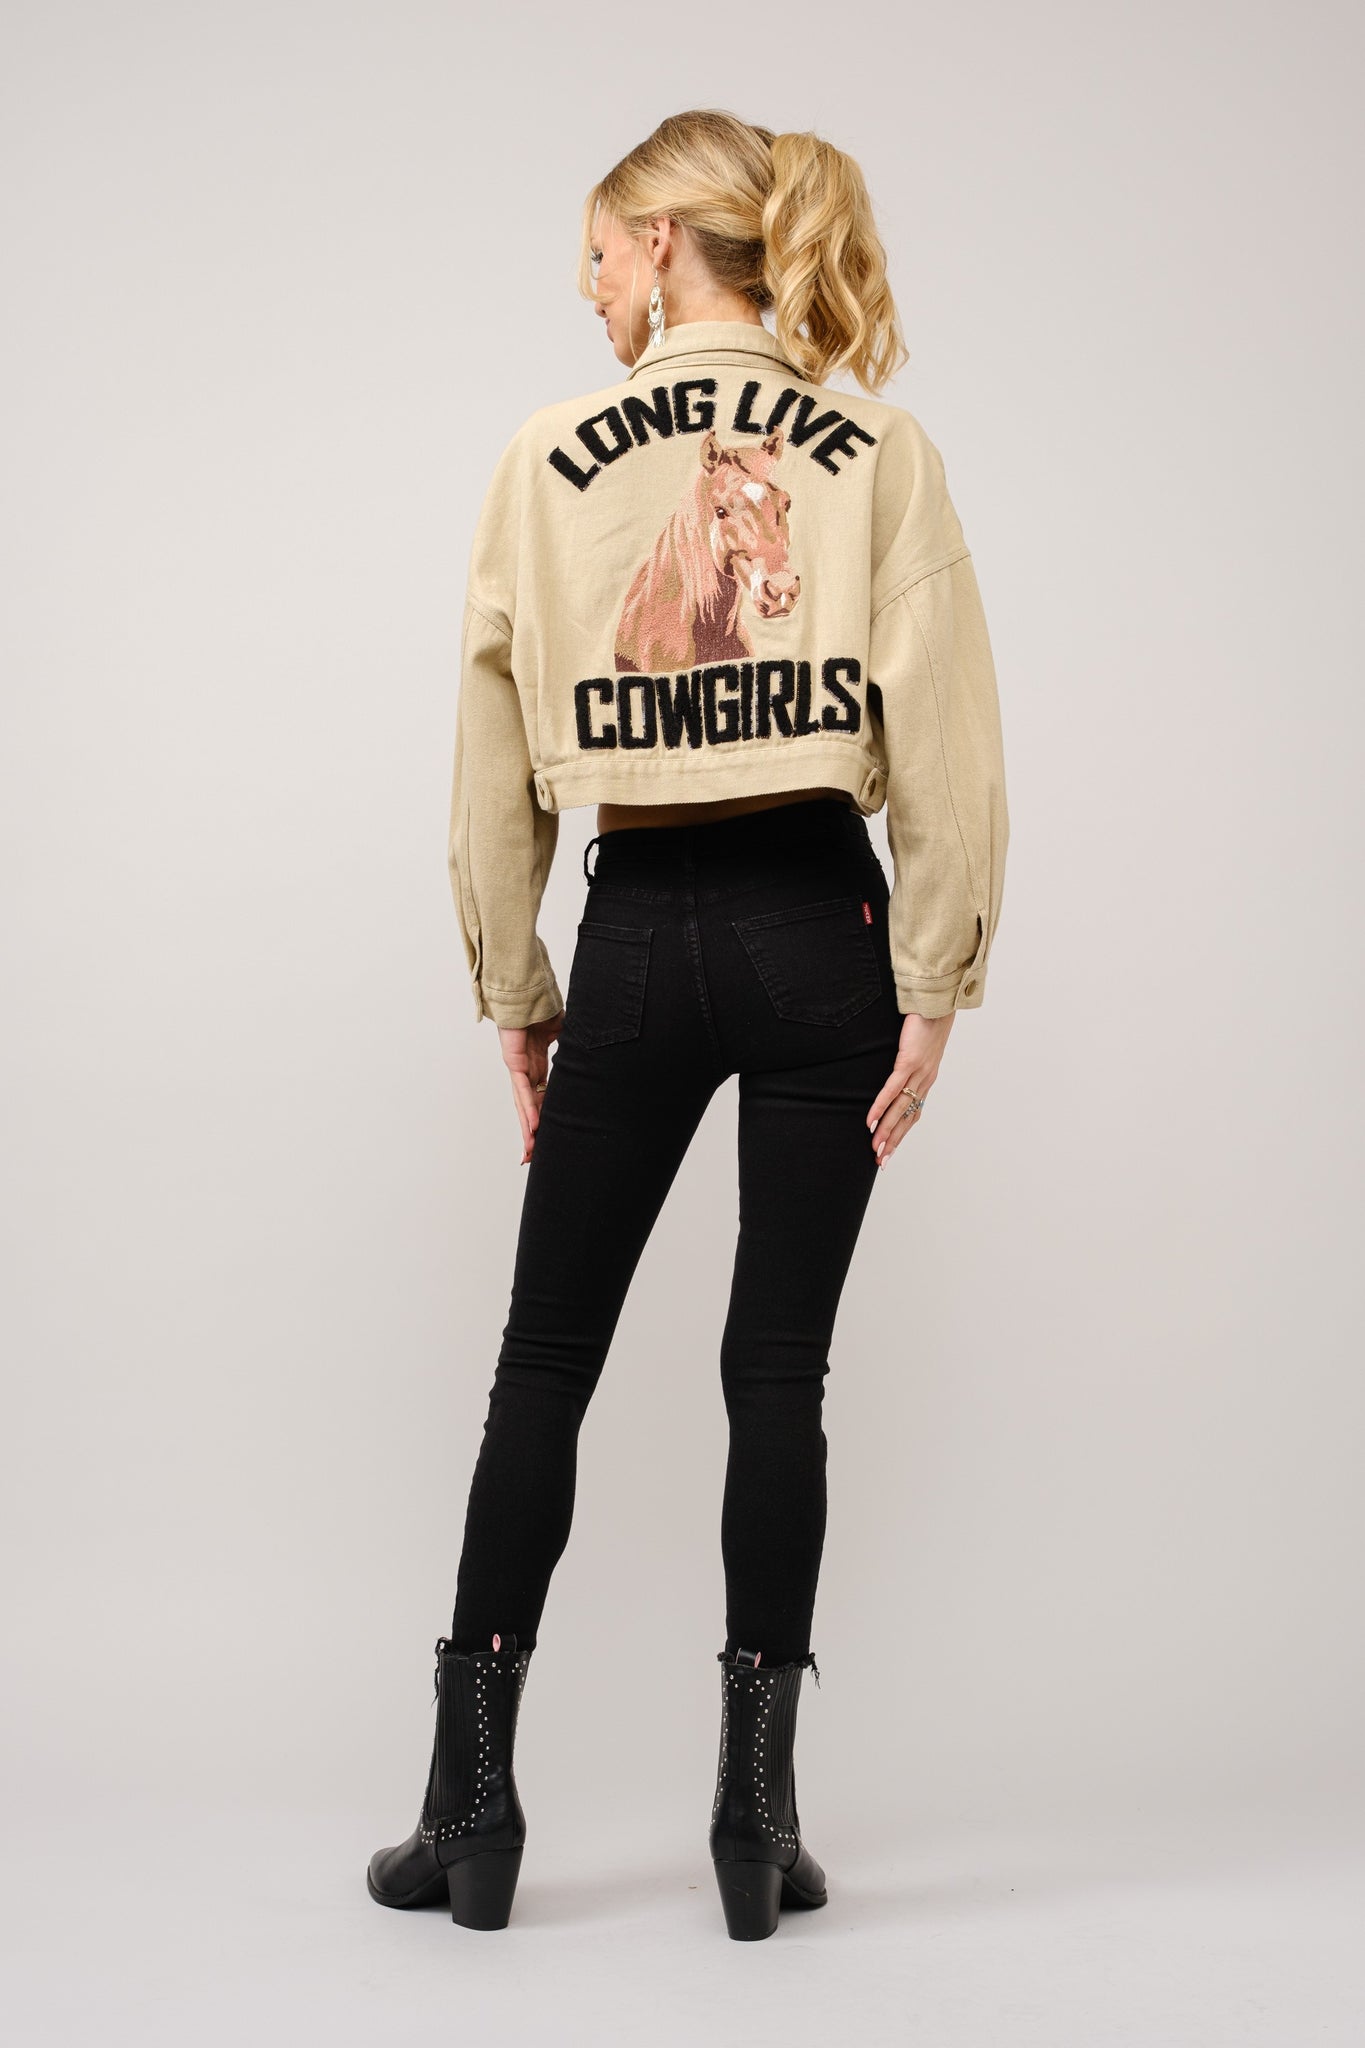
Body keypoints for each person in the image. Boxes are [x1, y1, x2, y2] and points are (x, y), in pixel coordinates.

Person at [367, 108, 1010, 1942]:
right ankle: (754, 1822)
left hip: (639, 933)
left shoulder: (538, 456)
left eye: (594, 256)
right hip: (821, 934)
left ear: (659, 245)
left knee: (543, 1362)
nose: (587, 292)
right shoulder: (882, 451)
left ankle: (468, 1813)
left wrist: (517, 988)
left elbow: (489, 757)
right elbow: (947, 742)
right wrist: (933, 982)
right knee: (776, 1376)